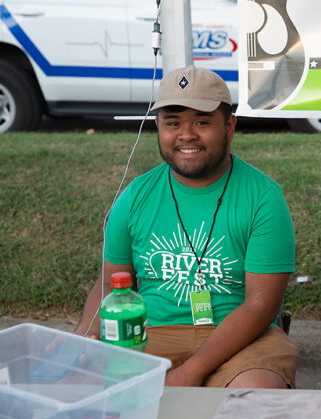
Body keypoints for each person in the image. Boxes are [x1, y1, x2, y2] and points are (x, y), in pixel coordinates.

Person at [75, 65, 298, 388]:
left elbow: (261, 305)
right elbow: (110, 285)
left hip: (241, 339)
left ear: (230, 126)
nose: (186, 134)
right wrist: (84, 337)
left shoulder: (263, 197)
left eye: (202, 122)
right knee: (81, 389)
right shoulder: (136, 195)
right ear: (158, 127)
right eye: (173, 122)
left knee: (256, 395)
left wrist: (191, 372)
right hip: (149, 334)